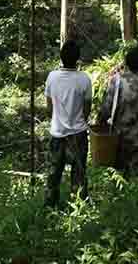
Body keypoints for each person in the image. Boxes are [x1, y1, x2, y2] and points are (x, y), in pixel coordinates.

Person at [44, 39, 92, 208]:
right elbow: (87, 109)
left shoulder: (52, 77)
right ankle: (78, 208)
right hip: (78, 134)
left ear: (61, 57)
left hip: (57, 133)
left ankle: (50, 207)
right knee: (78, 174)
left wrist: (58, 120)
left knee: (53, 174)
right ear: (78, 59)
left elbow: (49, 108)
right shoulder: (84, 79)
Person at [98, 46, 138, 175]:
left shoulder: (118, 81)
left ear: (127, 64)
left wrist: (100, 126)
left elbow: (105, 109)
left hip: (121, 140)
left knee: (122, 178)